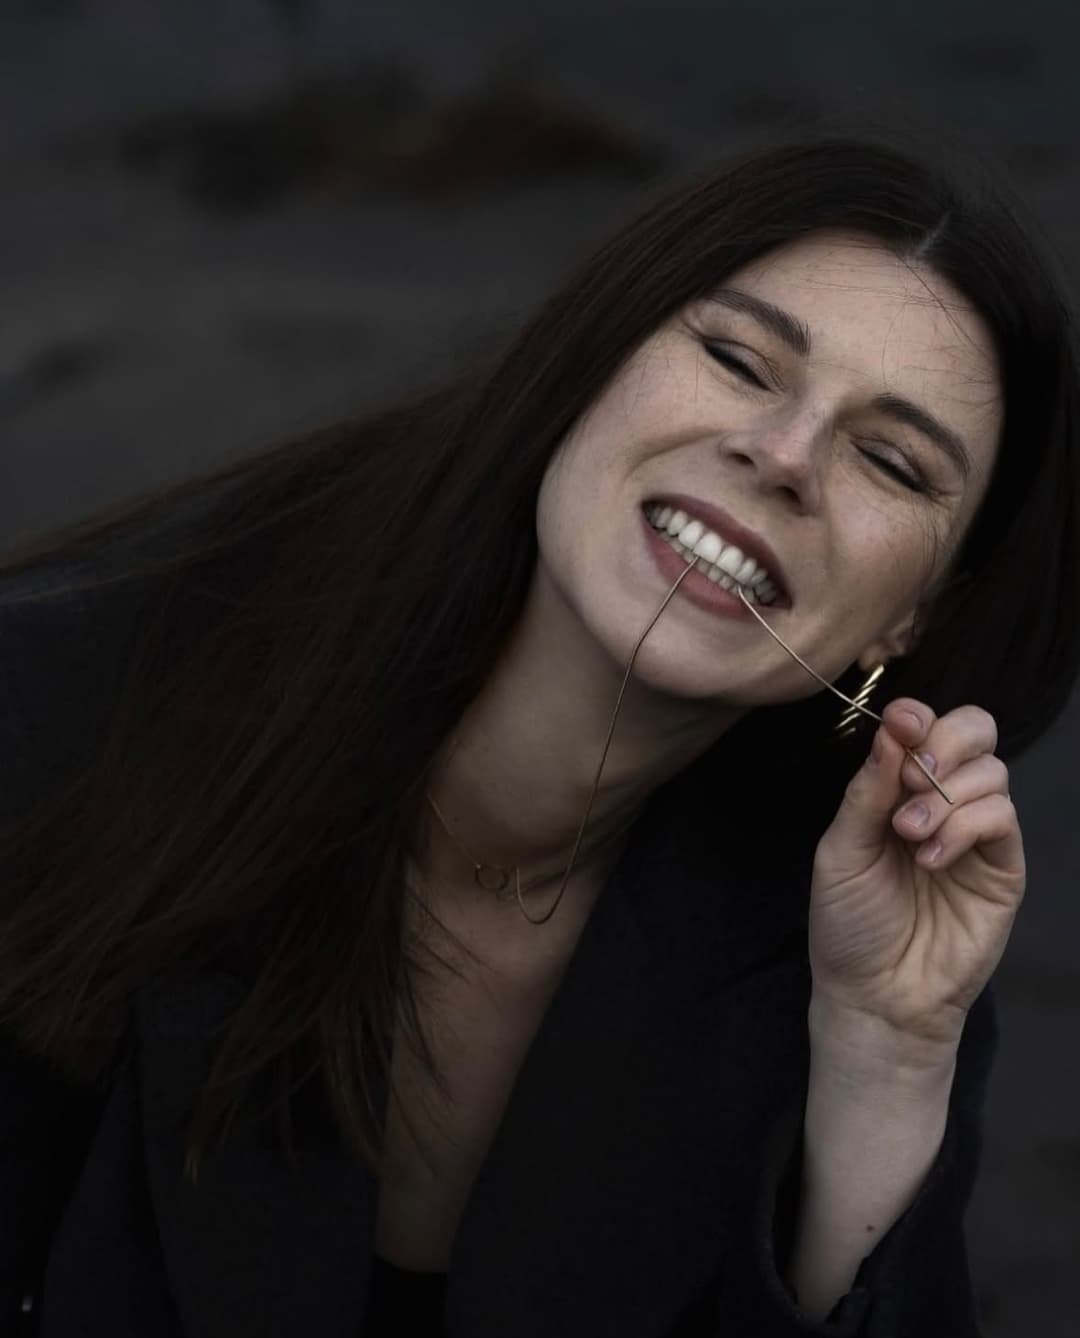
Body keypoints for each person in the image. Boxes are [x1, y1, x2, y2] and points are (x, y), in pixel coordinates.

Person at [1, 132, 1078, 1337]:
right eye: (737, 358)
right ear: (592, 363)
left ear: (917, 614)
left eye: (889, 459)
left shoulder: (861, 942)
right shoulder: (61, 721)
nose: (783, 456)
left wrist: (884, 1064)